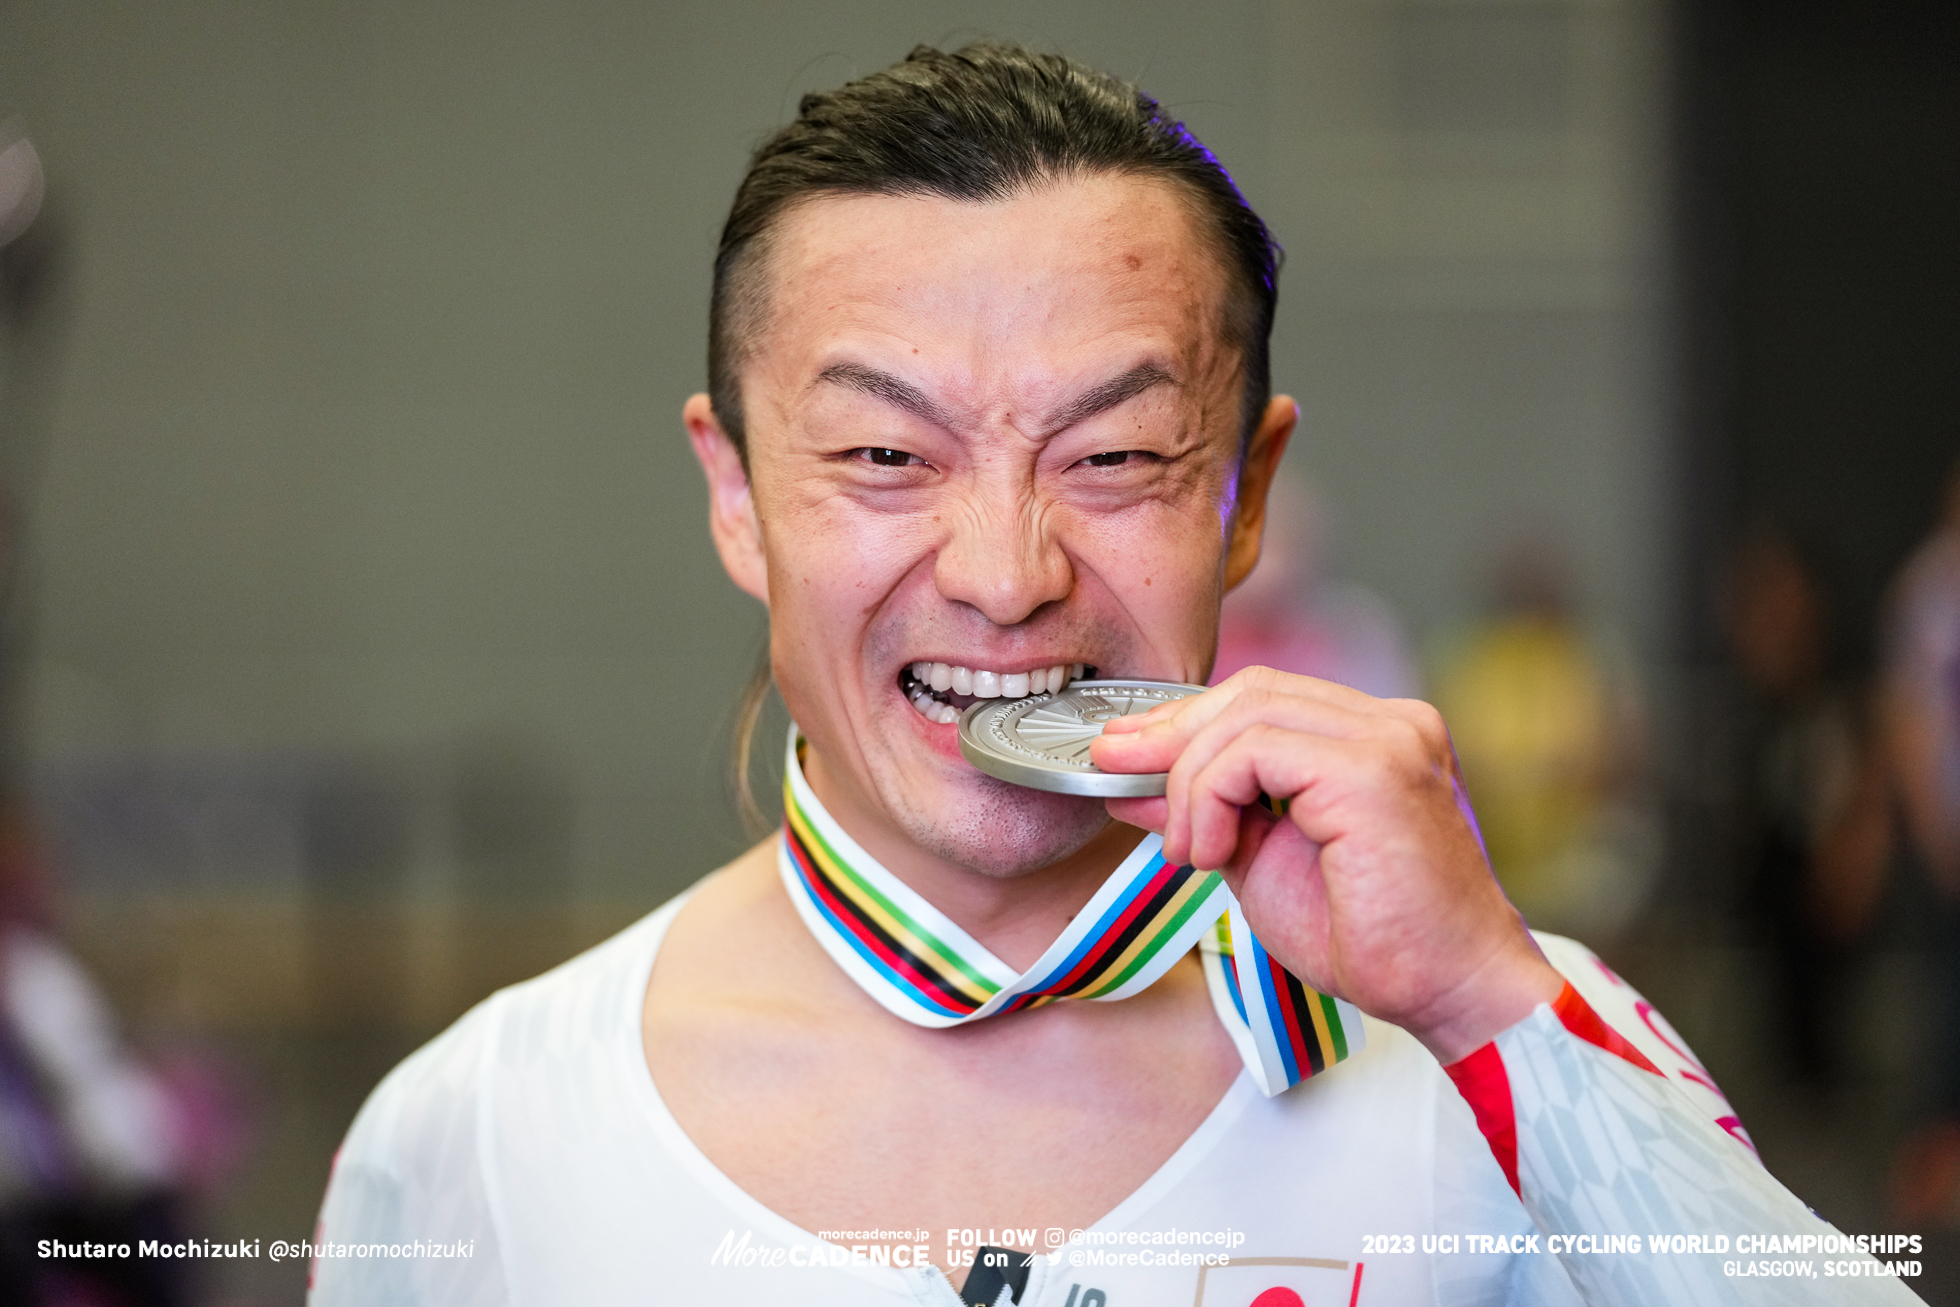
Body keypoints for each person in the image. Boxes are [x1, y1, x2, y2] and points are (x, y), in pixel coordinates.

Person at [310, 45, 1924, 1306]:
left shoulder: (1498, 1051)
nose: (1007, 575)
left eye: (1120, 454)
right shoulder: (484, 1132)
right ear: (734, 491)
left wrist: (1487, 1005)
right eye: (883, 451)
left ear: (1251, 498)